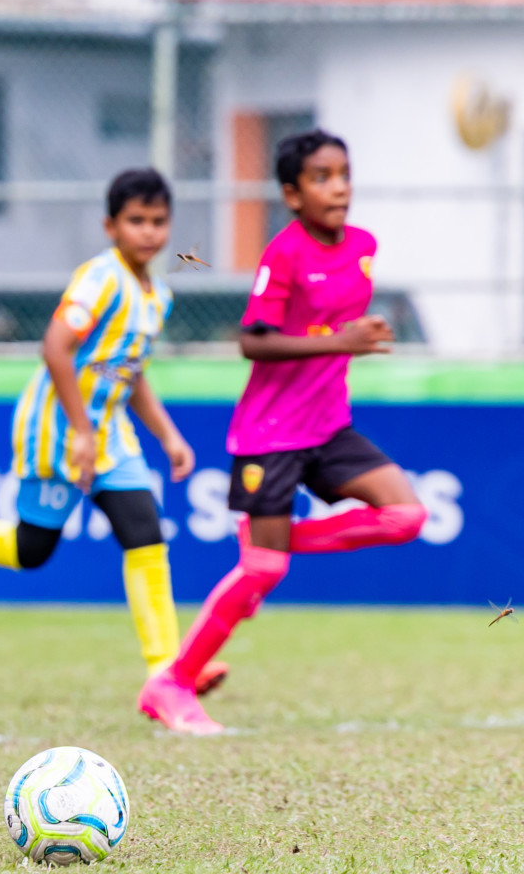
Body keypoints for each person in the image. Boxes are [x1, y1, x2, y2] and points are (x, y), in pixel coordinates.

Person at [0, 168, 227, 697]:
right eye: (137, 221)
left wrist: (168, 435)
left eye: (158, 222)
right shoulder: (100, 278)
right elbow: (55, 348)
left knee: (146, 534)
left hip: (109, 435)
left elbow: (129, 375)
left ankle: (168, 671)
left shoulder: (158, 295)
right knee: (31, 548)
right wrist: (80, 433)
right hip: (56, 431)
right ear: (112, 225)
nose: (149, 232)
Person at [137, 129, 427, 734]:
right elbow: (254, 341)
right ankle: (172, 683)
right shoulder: (285, 253)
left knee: (406, 517)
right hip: (269, 436)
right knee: (262, 572)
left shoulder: (364, 247)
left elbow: (330, 327)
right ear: (292, 194)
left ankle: (277, 544)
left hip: (329, 427)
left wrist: (355, 333)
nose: (339, 186)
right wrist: (341, 340)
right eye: (322, 177)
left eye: (344, 173)